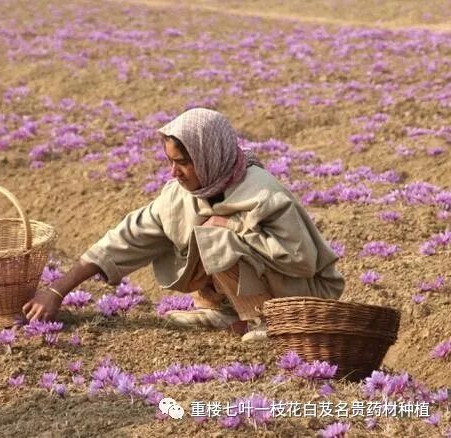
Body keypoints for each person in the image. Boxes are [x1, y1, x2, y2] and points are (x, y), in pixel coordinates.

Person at [22, 108, 345, 342]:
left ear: (208, 156)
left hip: (303, 294)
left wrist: (232, 227)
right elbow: (126, 238)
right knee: (207, 234)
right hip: (265, 284)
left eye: (182, 163)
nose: (173, 172)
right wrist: (56, 291)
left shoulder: (264, 193)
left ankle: (265, 320)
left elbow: (301, 261)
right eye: (170, 161)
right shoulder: (180, 195)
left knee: (215, 236)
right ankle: (228, 311)